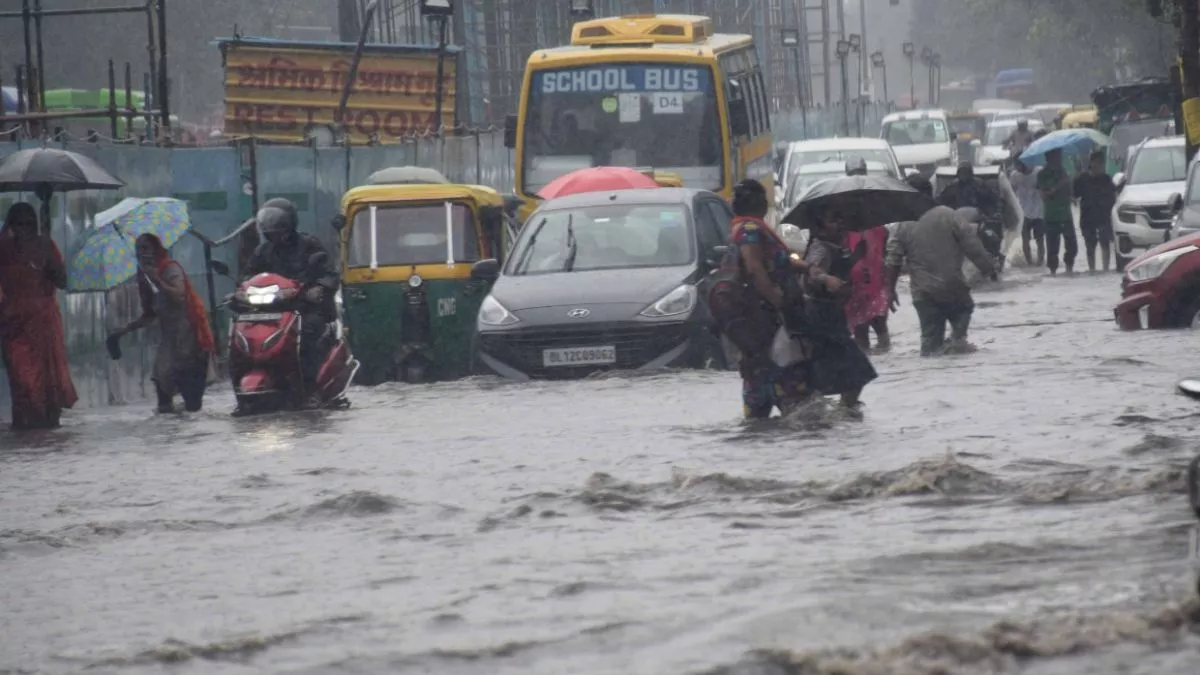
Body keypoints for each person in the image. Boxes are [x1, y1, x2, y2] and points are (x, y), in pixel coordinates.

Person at [726, 179, 813, 419]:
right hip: (767, 321)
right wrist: (778, 302)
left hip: (762, 325)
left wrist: (804, 267)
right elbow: (755, 268)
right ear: (760, 204)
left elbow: (771, 261)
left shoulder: (749, 229)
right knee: (798, 403)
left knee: (759, 404)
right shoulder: (749, 231)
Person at [240, 198, 339, 409]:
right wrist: (241, 291)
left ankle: (311, 388)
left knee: (308, 333)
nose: (272, 232)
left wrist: (318, 288)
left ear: (289, 224)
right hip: (272, 311)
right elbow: (249, 275)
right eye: (269, 227)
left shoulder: (309, 245)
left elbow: (330, 274)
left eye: (277, 226)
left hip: (304, 308)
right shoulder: (263, 251)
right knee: (243, 334)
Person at [110, 234, 215, 413]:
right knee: (161, 379)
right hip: (169, 338)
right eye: (138, 250)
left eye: (146, 248)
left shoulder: (170, 268)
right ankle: (167, 431)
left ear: (156, 250)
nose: (142, 254)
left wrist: (157, 279)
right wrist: (123, 331)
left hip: (189, 334)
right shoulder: (143, 278)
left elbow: (179, 295)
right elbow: (150, 315)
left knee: (192, 402)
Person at [885, 201, 998, 357]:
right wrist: (989, 269)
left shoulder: (902, 225)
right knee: (964, 311)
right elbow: (973, 246)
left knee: (929, 342)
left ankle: (931, 373)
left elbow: (893, 259)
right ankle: (956, 346)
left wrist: (890, 290)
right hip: (954, 287)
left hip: (923, 293)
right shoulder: (949, 215)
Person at [0, 202, 78, 429]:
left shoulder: (45, 244)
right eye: (18, 224)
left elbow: (63, 281)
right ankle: (27, 432)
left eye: (27, 224)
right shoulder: (3, 248)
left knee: (49, 381)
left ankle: (45, 436)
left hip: (44, 324)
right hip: (14, 325)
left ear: (34, 225)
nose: (23, 229)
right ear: (11, 225)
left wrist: (50, 262)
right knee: (23, 380)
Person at [803, 200, 878, 410]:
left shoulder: (836, 247)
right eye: (833, 220)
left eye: (841, 218)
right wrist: (827, 279)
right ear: (819, 227)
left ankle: (836, 411)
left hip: (833, 317)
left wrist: (856, 259)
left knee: (832, 370)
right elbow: (812, 272)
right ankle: (843, 410)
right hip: (821, 319)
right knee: (858, 370)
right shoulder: (820, 248)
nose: (840, 223)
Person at [841, 157, 890, 352]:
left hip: (869, 280)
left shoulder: (847, 210)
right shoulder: (873, 209)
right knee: (870, 330)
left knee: (872, 330)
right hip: (862, 281)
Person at [1072, 151, 1117, 273]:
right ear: (1091, 164)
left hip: (1104, 218)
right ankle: (1092, 271)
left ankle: (1106, 271)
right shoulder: (1082, 179)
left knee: (1105, 244)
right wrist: (1076, 177)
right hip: (1087, 218)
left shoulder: (1107, 180)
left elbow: (1113, 198)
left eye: (1101, 163)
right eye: (1096, 163)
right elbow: (1074, 195)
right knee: (1090, 247)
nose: (1099, 166)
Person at [1038, 148, 1076, 275]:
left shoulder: (1064, 172)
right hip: (1051, 215)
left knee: (1072, 245)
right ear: (1050, 158)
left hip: (1065, 213)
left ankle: (1069, 268)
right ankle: (1053, 271)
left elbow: (1071, 193)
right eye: (1057, 156)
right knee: (1052, 247)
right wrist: (1056, 188)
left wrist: (1068, 185)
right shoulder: (1042, 174)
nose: (1059, 158)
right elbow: (1043, 195)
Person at [1009, 158, 1045, 266]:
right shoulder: (1015, 175)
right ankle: (1029, 264)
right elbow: (1012, 192)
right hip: (1023, 212)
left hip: (1039, 212)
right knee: (1025, 239)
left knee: (1040, 239)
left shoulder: (1039, 172)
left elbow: (1044, 187)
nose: (1017, 168)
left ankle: (1040, 263)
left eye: (1018, 165)